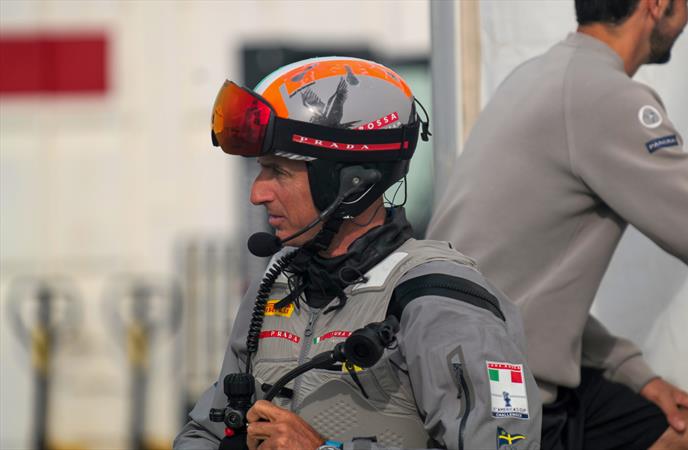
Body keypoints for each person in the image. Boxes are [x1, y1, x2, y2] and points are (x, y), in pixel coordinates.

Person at [426, 0, 688, 449]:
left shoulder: (535, 76)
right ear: (657, 5)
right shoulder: (602, 95)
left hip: (464, 365)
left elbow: (512, 282)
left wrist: (631, 370)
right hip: (499, 396)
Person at [174, 57, 542, 450]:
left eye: (278, 172)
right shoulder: (276, 286)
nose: (258, 193)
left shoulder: (440, 299)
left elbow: (508, 445)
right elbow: (204, 434)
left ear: (349, 184)